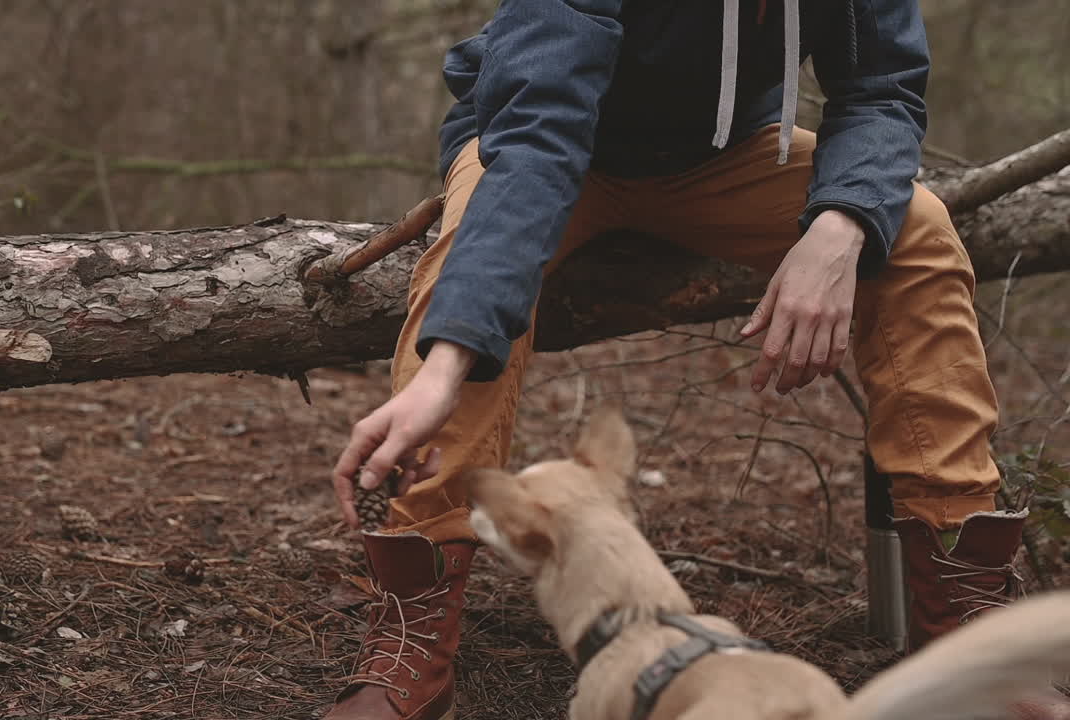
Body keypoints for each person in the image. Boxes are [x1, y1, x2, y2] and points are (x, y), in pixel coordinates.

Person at [324, 2, 1070, 719]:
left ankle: (970, 630)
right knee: (462, 261)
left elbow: (882, 92)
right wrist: (445, 369)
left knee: (920, 231)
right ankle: (412, 639)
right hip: (549, 151)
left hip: (731, 158)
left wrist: (839, 227)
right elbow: (539, 130)